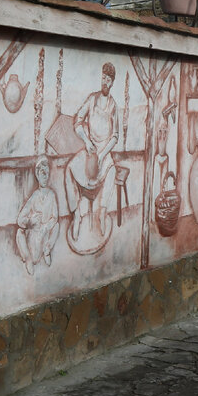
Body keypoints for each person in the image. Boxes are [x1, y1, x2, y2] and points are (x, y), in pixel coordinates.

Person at [66, 61, 119, 240]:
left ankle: (102, 214)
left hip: (104, 154)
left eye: (109, 80)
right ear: (101, 78)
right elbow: (77, 121)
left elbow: (115, 136)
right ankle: (76, 215)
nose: (106, 82)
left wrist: (103, 155)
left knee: (111, 171)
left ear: (112, 83)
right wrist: (87, 141)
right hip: (90, 150)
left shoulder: (113, 106)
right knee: (70, 168)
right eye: (104, 78)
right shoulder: (92, 99)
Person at [16, 157, 59, 274]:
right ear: (37, 175)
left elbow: (55, 217)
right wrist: (30, 222)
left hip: (44, 237)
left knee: (57, 226)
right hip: (33, 237)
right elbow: (20, 219)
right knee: (19, 232)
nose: (45, 177)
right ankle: (28, 258)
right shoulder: (34, 196)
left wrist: (46, 227)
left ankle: (47, 250)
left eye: (47, 173)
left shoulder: (51, 195)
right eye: (42, 173)